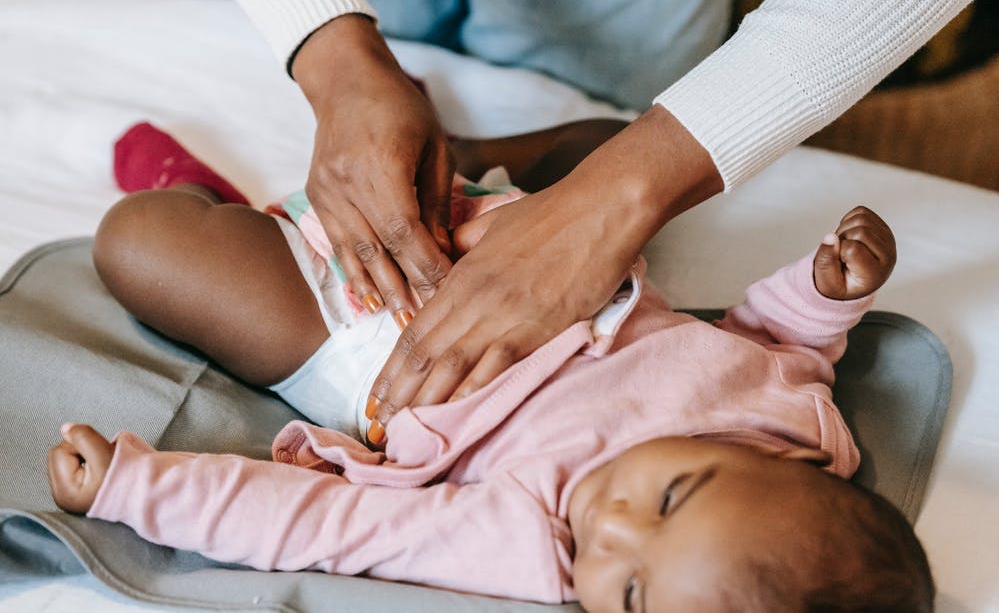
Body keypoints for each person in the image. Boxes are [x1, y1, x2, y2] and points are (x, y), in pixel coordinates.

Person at [47, 122, 932, 610]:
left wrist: (140, 489)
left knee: (144, 245)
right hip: (549, 242)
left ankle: (201, 193)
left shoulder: (528, 542)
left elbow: (331, 526)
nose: (612, 523)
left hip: (373, 331)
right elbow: (776, 348)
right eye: (672, 496)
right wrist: (824, 297)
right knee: (618, 137)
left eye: (625, 595)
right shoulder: (792, 421)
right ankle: (456, 156)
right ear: (796, 461)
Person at [192, 0, 999, 435]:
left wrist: (619, 195)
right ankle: (448, 138)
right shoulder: (764, 436)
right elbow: (770, 352)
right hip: (502, 236)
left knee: (591, 88)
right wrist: (334, 56)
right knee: (553, 113)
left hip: (352, 331)